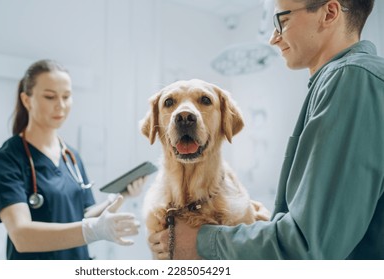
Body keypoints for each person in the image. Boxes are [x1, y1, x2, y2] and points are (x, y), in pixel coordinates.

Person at [148, 0, 384, 259]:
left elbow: (308, 248)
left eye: (282, 20)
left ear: (329, 13)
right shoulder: (343, 81)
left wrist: (201, 241)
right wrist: (266, 225)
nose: (273, 38)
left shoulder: (351, 79)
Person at [0, 59, 144, 260]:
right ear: (27, 100)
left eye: (67, 96)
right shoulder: (8, 158)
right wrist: (92, 230)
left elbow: (85, 216)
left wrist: (120, 196)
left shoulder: (71, 156)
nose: (60, 106)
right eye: (50, 97)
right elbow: (22, 235)